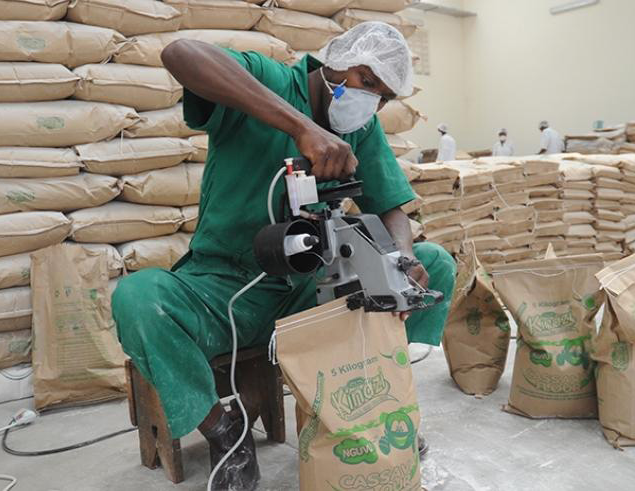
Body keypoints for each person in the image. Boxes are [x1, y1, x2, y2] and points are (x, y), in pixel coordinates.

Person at [110, 22, 456, 490]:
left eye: (384, 96)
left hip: (309, 290)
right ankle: (225, 430)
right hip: (224, 286)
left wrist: (402, 260)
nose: (373, 101)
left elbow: (390, 207)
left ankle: (376, 408)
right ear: (333, 61)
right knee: (138, 297)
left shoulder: (360, 126)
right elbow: (180, 52)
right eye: (366, 81)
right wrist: (302, 128)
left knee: (432, 264)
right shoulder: (270, 81)